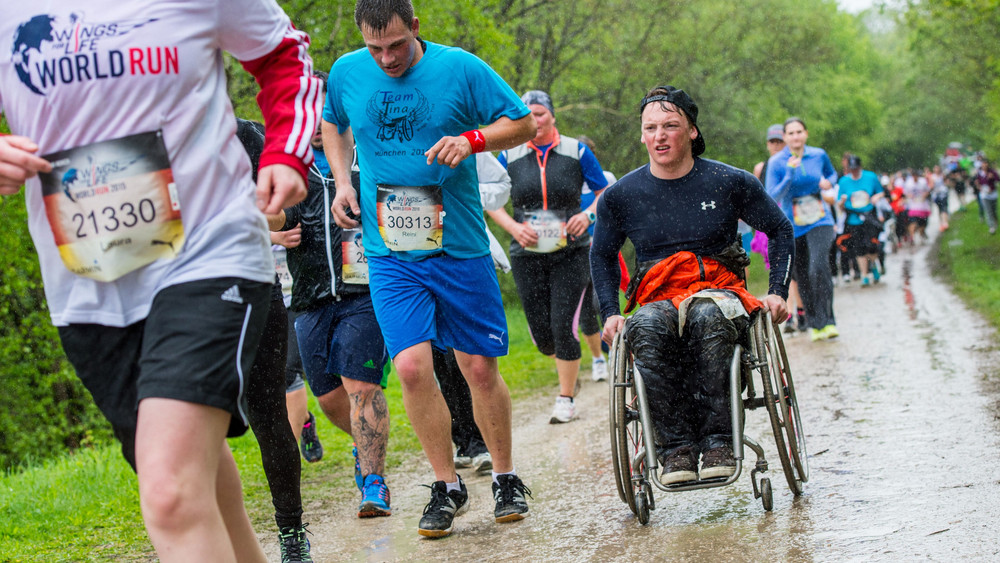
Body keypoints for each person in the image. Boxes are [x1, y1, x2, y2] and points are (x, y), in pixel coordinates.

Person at [0, 1, 318, 560]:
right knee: (191, 479)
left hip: (208, 249)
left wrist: (285, 153)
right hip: (91, 276)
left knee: (170, 492)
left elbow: (283, 56)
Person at [321, 0, 536, 538]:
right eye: (376, 49)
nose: (388, 58)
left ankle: (506, 476)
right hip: (392, 251)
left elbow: (523, 122)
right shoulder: (348, 71)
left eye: (396, 45)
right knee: (413, 368)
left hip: (460, 246)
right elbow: (334, 126)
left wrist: (472, 140)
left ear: (416, 28)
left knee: (478, 368)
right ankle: (447, 485)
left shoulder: (460, 67)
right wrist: (344, 182)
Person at [591, 86, 793, 485]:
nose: (660, 136)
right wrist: (611, 313)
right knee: (644, 326)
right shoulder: (620, 196)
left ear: (692, 132)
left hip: (721, 289)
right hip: (657, 294)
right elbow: (600, 255)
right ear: (642, 135)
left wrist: (778, 291)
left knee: (706, 315)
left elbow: (780, 229)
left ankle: (719, 441)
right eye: (651, 128)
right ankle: (674, 450)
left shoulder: (728, 181)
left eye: (670, 125)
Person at [269, 89, 393, 518]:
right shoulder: (291, 172)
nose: (321, 123)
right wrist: (267, 220)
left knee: (362, 387)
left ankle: (374, 482)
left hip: (365, 293)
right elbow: (278, 218)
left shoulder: (369, 156)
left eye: (329, 113)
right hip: (309, 299)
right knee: (328, 399)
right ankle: (365, 446)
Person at [488, 90, 609, 423]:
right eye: (529, 114)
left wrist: (587, 216)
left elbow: (604, 193)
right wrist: (513, 227)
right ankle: (568, 370)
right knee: (542, 334)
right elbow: (491, 200)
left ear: (552, 116)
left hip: (571, 250)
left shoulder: (576, 150)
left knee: (562, 324)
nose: (536, 120)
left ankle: (565, 397)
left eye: (541, 113)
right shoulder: (509, 154)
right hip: (527, 251)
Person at [237, 118, 315, 563]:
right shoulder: (142, 139)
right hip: (180, 297)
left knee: (268, 413)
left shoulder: (245, 137)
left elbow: (289, 214)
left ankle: (291, 533)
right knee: (192, 424)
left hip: (252, 287)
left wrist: (254, 207)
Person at [440, 151, 513, 475]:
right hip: (413, 266)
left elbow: (500, 185)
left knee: (474, 364)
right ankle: (464, 442)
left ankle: (484, 445)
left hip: (465, 259)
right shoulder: (381, 140)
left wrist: (463, 192)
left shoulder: (459, 134)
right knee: (437, 364)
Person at [765, 117, 839, 342]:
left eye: (799, 132)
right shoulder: (777, 162)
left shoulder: (818, 154)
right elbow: (772, 196)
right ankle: (815, 323)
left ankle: (829, 321)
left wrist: (829, 183)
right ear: (785, 137)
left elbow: (833, 175)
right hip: (792, 225)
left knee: (819, 267)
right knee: (804, 276)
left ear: (806, 133)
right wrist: (788, 173)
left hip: (820, 220)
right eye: (791, 133)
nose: (796, 136)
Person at [753, 124, 805, 334]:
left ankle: (797, 311)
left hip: (790, 220)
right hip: (768, 223)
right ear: (767, 144)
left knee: (794, 271)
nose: (776, 146)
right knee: (781, 271)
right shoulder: (761, 168)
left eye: (779, 142)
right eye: (772, 142)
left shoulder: (792, 163)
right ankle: (792, 312)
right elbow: (759, 196)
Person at [836, 154, 884, 286]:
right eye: (852, 169)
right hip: (853, 218)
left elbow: (881, 191)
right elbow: (839, 204)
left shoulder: (871, 177)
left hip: (869, 216)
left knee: (871, 246)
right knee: (859, 248)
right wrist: (842, 202)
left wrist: (877, 197)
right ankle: (864, 275)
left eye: (856, 168)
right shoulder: (844, 181)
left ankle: (873, 265)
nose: (854, 171)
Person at [976, 159, 999, 234]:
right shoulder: (979, 173)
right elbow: (977, 182)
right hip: (984, 195)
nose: (984, 166)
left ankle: (995, 221)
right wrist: (979, 186)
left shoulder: (992, 172)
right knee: (988, 211)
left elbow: (998, 179)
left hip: (993, 194)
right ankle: (991, 227)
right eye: (983, 164)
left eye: (986, 164)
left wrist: (992, 177)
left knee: (993, 211)